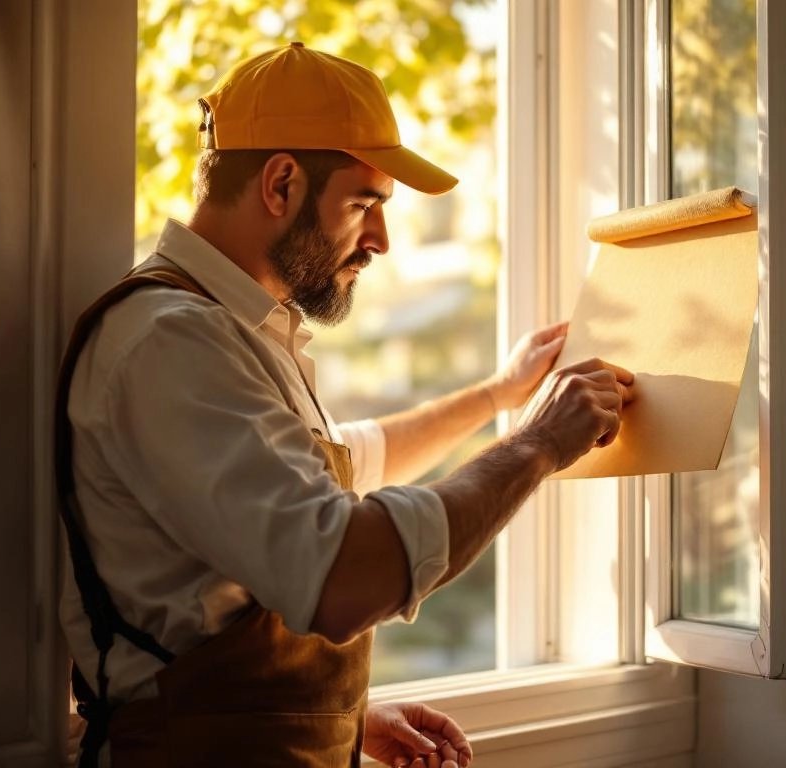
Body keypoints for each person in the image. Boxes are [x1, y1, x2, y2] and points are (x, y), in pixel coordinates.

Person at [56, 43, 633, 768]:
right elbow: (337, 573)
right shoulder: (171, 342)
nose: (382, 241)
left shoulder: (234, 330)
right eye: (365, 204)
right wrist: (540, 443)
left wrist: (499, 395)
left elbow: (351, 461)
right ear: (282, 183)